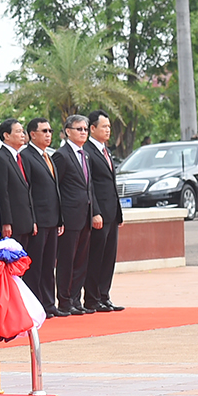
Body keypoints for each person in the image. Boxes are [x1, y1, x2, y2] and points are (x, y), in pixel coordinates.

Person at [52, 115, 101, 316]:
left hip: (85, 215)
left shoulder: (85, 155)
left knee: (81, 260)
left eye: (85, 129)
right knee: (67, 261)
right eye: (79, 129)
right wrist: (60, 217)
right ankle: (64, 301)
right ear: (67, 132)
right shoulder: (61, 155)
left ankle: (75, 299)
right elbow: (57, 189)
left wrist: (95, 212)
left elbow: (89, 187)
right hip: (70, 217)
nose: (83, 132)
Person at [21, 118, 64, 316]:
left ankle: (49, 304)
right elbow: (27, 191)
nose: (48, 134)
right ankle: (36, 305)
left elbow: (55, 190)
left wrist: (60, 219)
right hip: (37, 220)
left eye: (50, 130)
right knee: (35, 266)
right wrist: (32, 220)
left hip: (53, 220)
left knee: (48, 266)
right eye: (44, 131)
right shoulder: (26, 156)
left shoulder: (50, 156)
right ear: (32, 134)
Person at [82, 111, 124, 312]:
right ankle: (92, 298)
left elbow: (111, 184)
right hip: (98, 214)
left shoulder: (106, 151)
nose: (108, 130)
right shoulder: (87, 151)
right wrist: (95, 212)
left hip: (112, 213)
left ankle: (104, 296)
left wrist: (119, 212)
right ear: (92, 128)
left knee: (109, 257)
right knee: (96, 257)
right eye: (104, 127)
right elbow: (90, 185)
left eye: (109, 127)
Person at [0, 118, 35, 246]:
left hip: (26, 221)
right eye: (18, 132)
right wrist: (7, 222)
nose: (23, 135)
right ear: (6, 135)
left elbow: (27, 189)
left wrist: (32, 220)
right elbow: (2, 192)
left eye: (23, 132)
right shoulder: (0, 158)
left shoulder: (19, 157)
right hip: (13, 224)